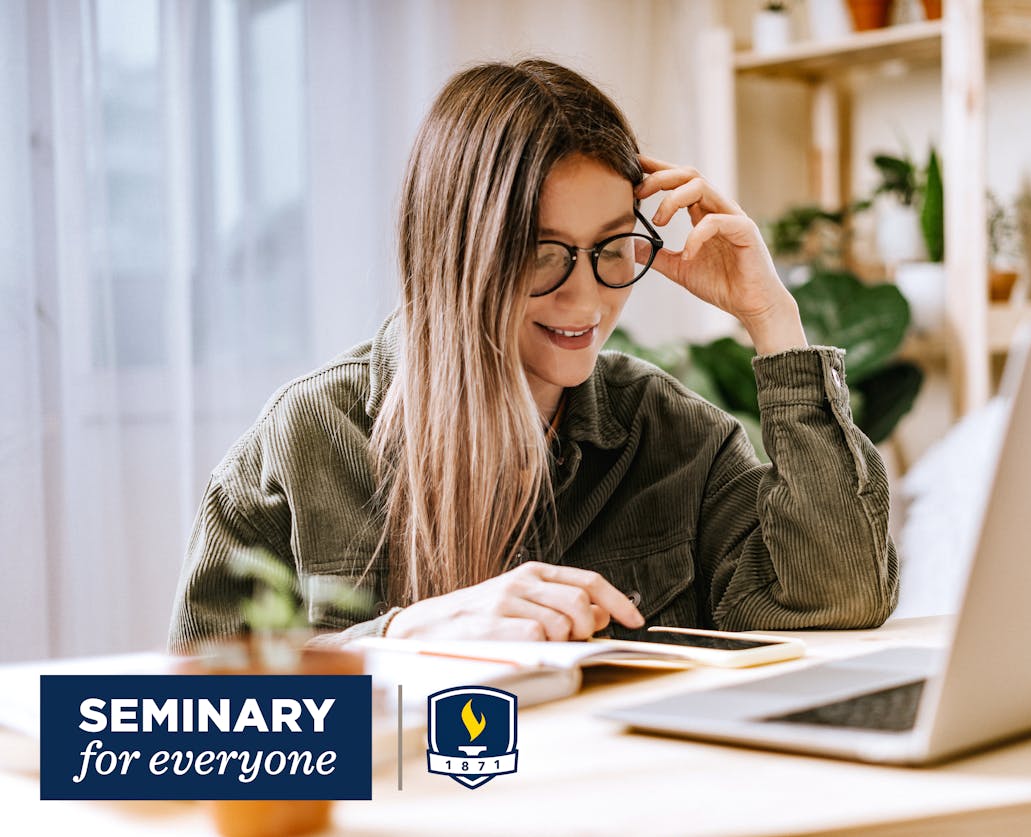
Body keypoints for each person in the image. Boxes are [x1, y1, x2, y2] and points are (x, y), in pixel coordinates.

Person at [168, 59, 898, 652]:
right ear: (458, 256)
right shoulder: (304, 444)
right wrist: (396, 639)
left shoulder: (673, 439)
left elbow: (840, 599)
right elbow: (187, 740)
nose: (585, 299)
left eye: (613, 246)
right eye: (544, 254)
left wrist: (773, 318)